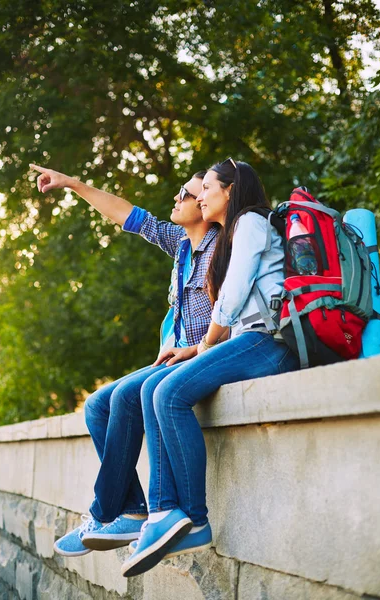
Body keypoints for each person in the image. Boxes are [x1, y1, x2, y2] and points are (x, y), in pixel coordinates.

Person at [121, 159, 300, 578]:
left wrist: (202, 346)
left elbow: (235, 294)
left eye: (208, 188)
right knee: (155, 389)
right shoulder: (233, 233)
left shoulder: (252, 224)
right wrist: (193, 350)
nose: (200, 195)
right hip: (245, 340)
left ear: (231, 190)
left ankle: (195, 518)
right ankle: (164, 510)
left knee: (167, 394)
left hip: (268, 343)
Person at [30, 163, 218, 557]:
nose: (178, 197)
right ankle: (131, 511)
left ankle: (102, 514)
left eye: (186, 193)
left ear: (205, 204)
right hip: (170, 359)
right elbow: (130, 216)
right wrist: (72, 183)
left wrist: (196, 348)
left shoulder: (221, 248)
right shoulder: (182, 244)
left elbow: (231, 315)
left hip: (199, 359)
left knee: (124, 398)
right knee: (97, 404)